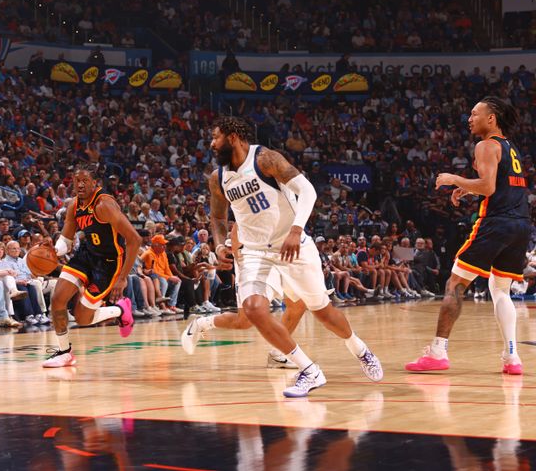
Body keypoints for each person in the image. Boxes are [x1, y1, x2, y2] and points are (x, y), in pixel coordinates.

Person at [181, 117, 383, 397]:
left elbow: (308, 191)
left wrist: (296, 229)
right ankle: (309, 370)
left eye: (216, 138)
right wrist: (218, 246)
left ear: (233, 137)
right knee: (252, 309)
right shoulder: (218, 177)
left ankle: (360, 350)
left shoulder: (265, 158)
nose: (212, 144)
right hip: (254, 252)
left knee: (322, 311)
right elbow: (217, 217)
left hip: (293, 245)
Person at [406, 97, 529, 375]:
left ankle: (438, 352)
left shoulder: (485, 145)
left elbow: (487, 187)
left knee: (455, 284)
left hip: (496, 223)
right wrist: (469, 189)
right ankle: (512, 359)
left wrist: (454, 179)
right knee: (500, 290)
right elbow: (498, 186)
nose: (469, 118)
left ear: (491, 119)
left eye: (475, 114)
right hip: (520, 224)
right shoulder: (511, 149)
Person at [42, 164, 142, 368]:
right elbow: (66, 241)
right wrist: (53, 251)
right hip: (87, 255)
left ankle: (121, 311)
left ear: (95, 183)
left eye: (84, 180)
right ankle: (64, 352)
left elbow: (135, 239)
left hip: (109, 263)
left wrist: (122, 278)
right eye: (76, 180)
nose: (79, 184)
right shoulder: (74, 205)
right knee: (58, 298)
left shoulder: (104, 205)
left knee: (82, 318)